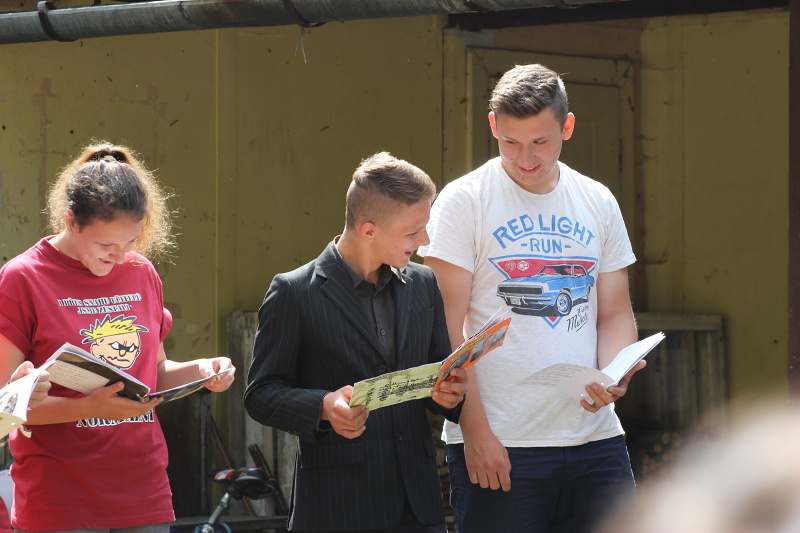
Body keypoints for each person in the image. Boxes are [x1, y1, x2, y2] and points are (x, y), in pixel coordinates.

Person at [418, 63, 645, 533]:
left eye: (540, 141)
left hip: (596, 440)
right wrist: (475, 432)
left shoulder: (598, 200)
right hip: (501, 441)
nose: (525, 158)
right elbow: (445, 328)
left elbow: (614, 313)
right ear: (492, 126)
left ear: (567, 127)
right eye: (510, 141)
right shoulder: (463, 201)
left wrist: (613, 374)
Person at [0, 141, 236, 533]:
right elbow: (5, 406)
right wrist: (87, 407)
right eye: (106, 244)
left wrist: (202, 371)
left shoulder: (141, 272)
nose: (120, 257)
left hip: (143, 490)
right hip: (59, 496)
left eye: (131, 242)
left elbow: (155, 374)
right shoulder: (23, 278)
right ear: (70, 221)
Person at [244, 152, 468, 533]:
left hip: (419, 506)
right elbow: (261, 394)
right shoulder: (294, 292)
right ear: (368, 230)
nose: (425, 241)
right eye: (413, 232)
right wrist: (323, 406)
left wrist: (449, 394)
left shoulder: (423, 284)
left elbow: (436, 374)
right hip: (337, 508)